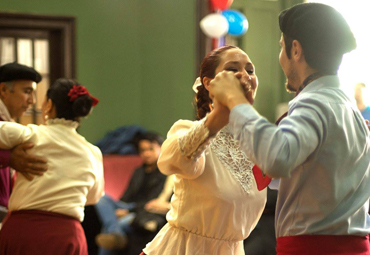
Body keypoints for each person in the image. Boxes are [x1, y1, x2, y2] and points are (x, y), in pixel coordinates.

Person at [209, 3, 370, 255]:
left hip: (312, 249)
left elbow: (276, 157)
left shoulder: (314, 103)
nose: (281, 58)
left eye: (282, 48)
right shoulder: (346, 104)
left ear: (296, 50)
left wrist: (236, 102)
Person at [141, 45, 267, 255]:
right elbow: (173, 160)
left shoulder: (256, 144)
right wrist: (218, 116)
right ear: (209, 83)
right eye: (233, 69)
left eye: (250, 70)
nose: (245, 76)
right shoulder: (190, 132)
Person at [0, 78, 104, 255]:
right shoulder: (93, 152)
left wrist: (8, 156)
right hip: (66, 236)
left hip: (23, 233)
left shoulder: (30, 135)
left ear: (48, 105)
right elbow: (94, 197)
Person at [94, 132, 167, 255]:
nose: (146, 153)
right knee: (101, 198)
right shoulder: (138, 171)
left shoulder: (164, 173)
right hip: (127, 205)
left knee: (108, 229)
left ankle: (114, 233)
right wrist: (118, 208)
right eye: (143, 150)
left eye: (151, 149)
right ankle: (115, 233)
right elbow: (127, 195)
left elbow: (152, 202)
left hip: (142, 211)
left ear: (160, 148)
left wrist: (128, 212)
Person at [0, 62, 48, 223]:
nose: (32, 101)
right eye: (27, 92)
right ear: (4, 90)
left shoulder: (11, 124)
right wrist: (8, 158)